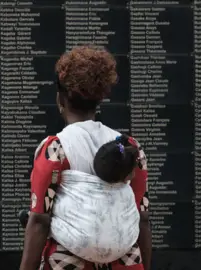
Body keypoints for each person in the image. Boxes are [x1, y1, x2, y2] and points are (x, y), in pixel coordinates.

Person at [20, 45, 151, 270]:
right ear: (99, 99)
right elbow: (143, 218)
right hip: (125, 262)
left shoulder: (56, 149)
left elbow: (39, 222)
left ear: (60, 99)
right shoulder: (130, 148)